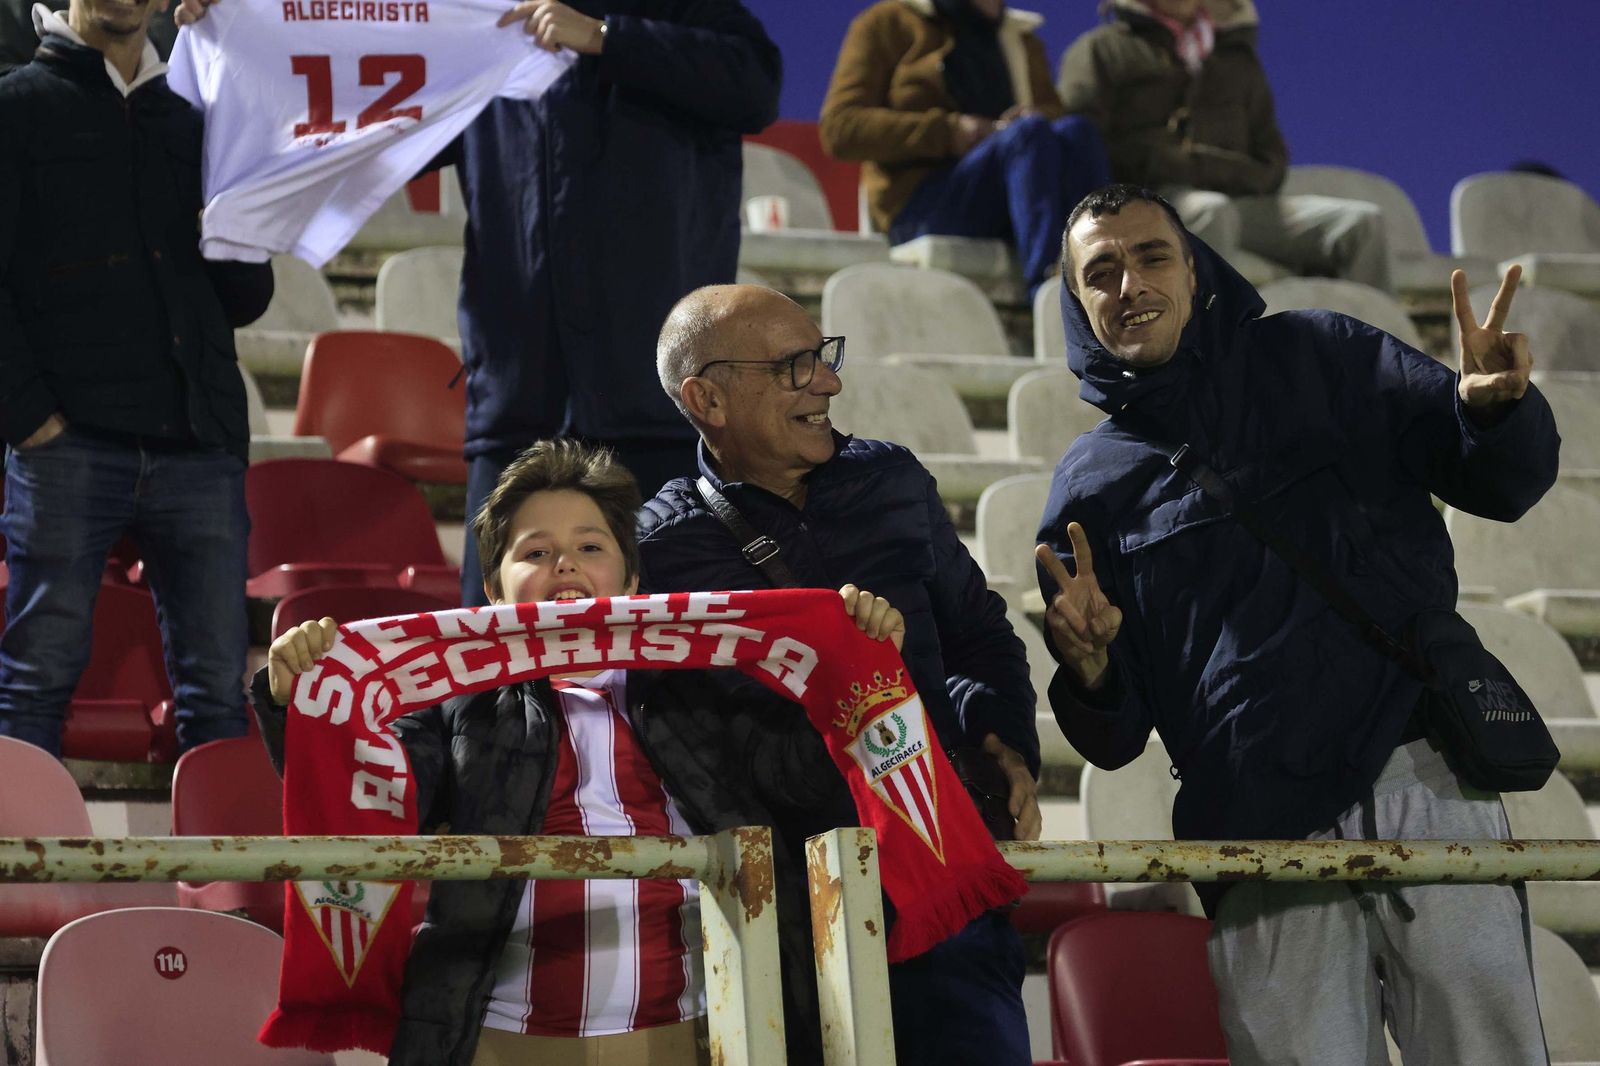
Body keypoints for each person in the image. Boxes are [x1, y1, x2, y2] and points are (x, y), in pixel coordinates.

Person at [1037, 183, 1556, 1064]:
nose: (1130, 283)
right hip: (1254, 824)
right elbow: (1118, 735)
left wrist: (1492, 413)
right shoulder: (1086, 490)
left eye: (1152, 256)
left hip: (1421, 769)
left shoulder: (1326, 352)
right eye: (1103, 271)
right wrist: (1089, 668)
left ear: (1195, 271)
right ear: (1080, 306)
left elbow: (1499, 484)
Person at [259, 438, 901, 1066]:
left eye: (590, 547)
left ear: (633, 578)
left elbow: (812, 786)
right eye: (535, 551)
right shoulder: (453, 706)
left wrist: (858, 661)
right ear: (492, 589)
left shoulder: (702, 691)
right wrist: (301, 700)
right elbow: (376, 796)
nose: (564, 564)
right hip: (495, 1040)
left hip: (704, 1032)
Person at [638, 283, 1040, 1066]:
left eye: (822, 356)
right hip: (784, 915)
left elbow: (981, 636)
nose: (828, 382)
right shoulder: (660, 552)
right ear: (707, 398)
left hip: (944, 874)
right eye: (794, 366)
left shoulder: (891, 478)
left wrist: (1003, 742)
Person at [0, 0, 273, 756]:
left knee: (219, 693)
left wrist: (244, 219)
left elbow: (247, 299)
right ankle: (16, 877)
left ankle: (221, 882)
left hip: (198, 446)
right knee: (35, 681)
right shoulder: (15, 104)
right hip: (68, 446)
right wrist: (31, 419)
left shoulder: (197, 119)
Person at [1057, 0, 1391, 289]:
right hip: (1151, 201)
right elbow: (1084, 144)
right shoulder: (1100, 49)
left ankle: (1383, 356)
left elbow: (1272, 161)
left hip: (1244, 203)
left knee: (1361, 224)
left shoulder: (1239, 62)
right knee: (1211, 211)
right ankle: (1206, 351)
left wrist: (1201, 165)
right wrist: (1172, 165)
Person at [819, 0, 1108, 296]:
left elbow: (1053, 115)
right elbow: (840, 128)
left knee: (1076, 132)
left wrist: (1035, 114)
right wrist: (950, 132)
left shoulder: (1020, 36)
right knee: (1027, 135)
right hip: (921, 205)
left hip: (1014, 194)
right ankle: (1049, 299)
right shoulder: (888, 22)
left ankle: (1101, 284)